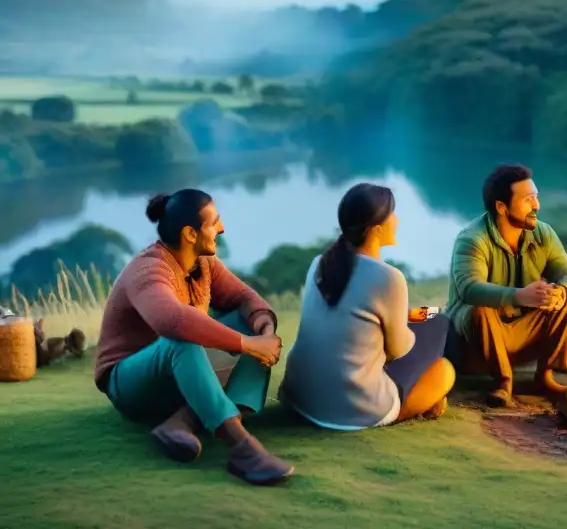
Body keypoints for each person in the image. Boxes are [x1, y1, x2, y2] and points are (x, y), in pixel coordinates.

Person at [93, 189, 294, 486]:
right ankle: (242, 448)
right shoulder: (148, 270)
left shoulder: (203, 263)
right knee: (182, 340)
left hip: (179, 375)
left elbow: (242, 296)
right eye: (214, 222)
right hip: (131, 384)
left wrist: (262, 328)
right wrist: (248, 345)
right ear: (190, 234)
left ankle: (181, 422)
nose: (222, 228)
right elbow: (172, 320)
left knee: (247, 325)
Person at [279, 182, 455, 430]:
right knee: (442, 359)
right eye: (393, 214)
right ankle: (421, 401)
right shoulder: (389, 277)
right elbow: (398, 350)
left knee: (428, 321)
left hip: (300, 395)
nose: (397, 220)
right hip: (353, 409)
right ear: (377, 228)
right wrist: (403, 329)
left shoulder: (319, 263)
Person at [444, 163, 567, 407]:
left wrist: (561, 293)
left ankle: (544, 377)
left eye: (536, 197)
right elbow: (469, 288)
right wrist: (519, 295)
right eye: (528, 199)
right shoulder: (472, 239)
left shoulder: (543, 234)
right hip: (471, 344)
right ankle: (504, 382)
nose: (536, 205)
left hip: (517, 335)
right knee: (479, 309)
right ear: (501, 207)